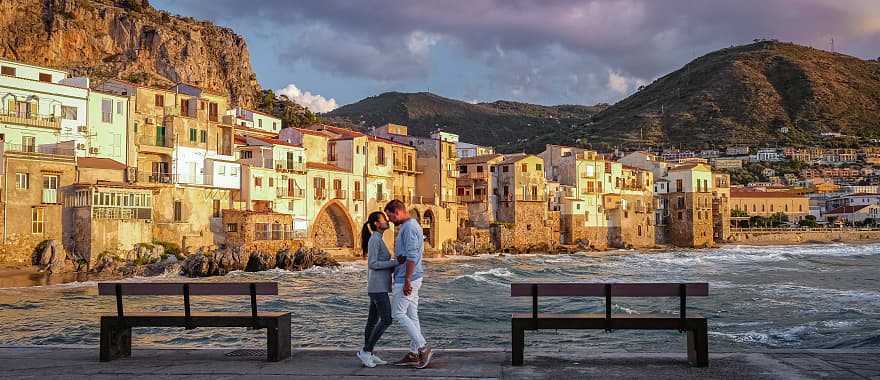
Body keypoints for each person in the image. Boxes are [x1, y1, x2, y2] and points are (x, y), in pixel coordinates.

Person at [384, 199, 433, 369]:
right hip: (411, 276)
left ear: (397, 212)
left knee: (397, 313)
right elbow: (408, 255)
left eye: (390, 216)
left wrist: (406, 280)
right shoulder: (409, 226)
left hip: (408, 278)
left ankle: (422, 347)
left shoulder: (410, 228)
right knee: (412, 315)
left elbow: (412, 256)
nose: (389, 220)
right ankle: (413, 353)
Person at [356, 211, 402, 368]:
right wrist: (395, 263)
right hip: (377, 288)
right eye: (384, 219)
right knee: (387, 319)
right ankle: (366, 352)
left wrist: (393, 264)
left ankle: (368, 353)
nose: (387, 220)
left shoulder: (378, 239)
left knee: (372, 321)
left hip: (377, 286)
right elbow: (373, 264)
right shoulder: (375, 240)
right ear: (377, 224)